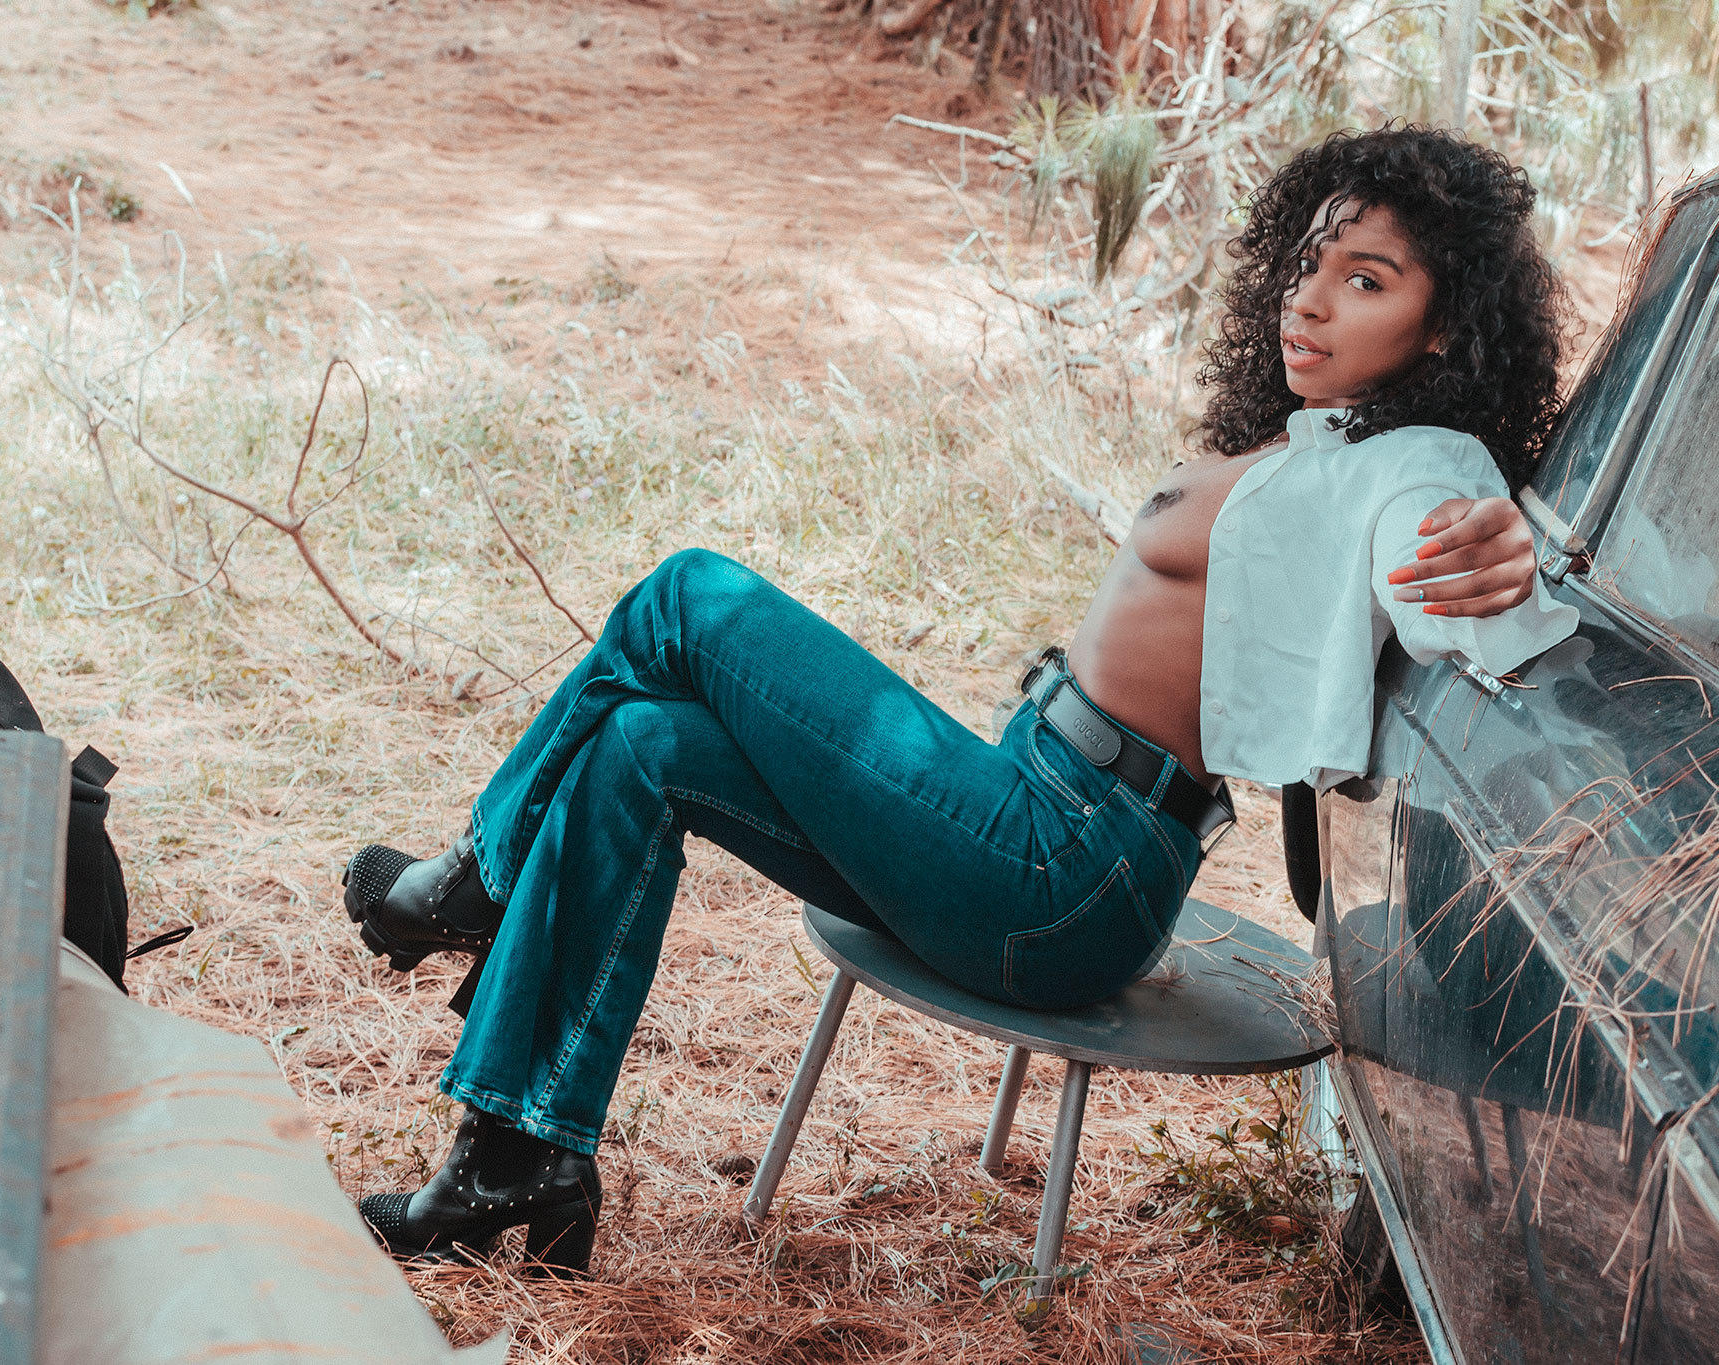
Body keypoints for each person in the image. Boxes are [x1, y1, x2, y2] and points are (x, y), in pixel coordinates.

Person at [340, 124, 1579, 1275]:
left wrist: (1505, 558)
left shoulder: (1417, 467)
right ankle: (513, 1161)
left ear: (1444, 329)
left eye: (1365, 281)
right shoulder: (1315, 437)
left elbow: (1450, 572)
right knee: (637, 742)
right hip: (1028, 807)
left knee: (689, 597)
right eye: (1307, 264)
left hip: (1064, 871)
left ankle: (473, 881)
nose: (1307, 300)